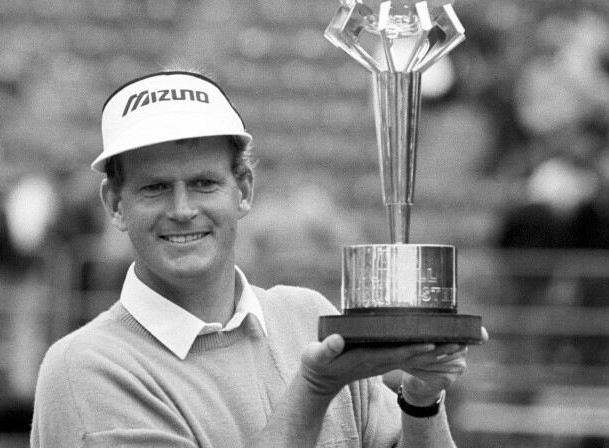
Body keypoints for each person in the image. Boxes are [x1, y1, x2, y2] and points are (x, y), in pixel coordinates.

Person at [31, 70, 487, 447]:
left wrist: (422, 399)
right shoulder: (85, 368)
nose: (183, 208)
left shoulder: (308, 316)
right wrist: (314, 389)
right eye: (155, 187)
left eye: (204, 183)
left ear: (244, 191)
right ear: (114, 204)